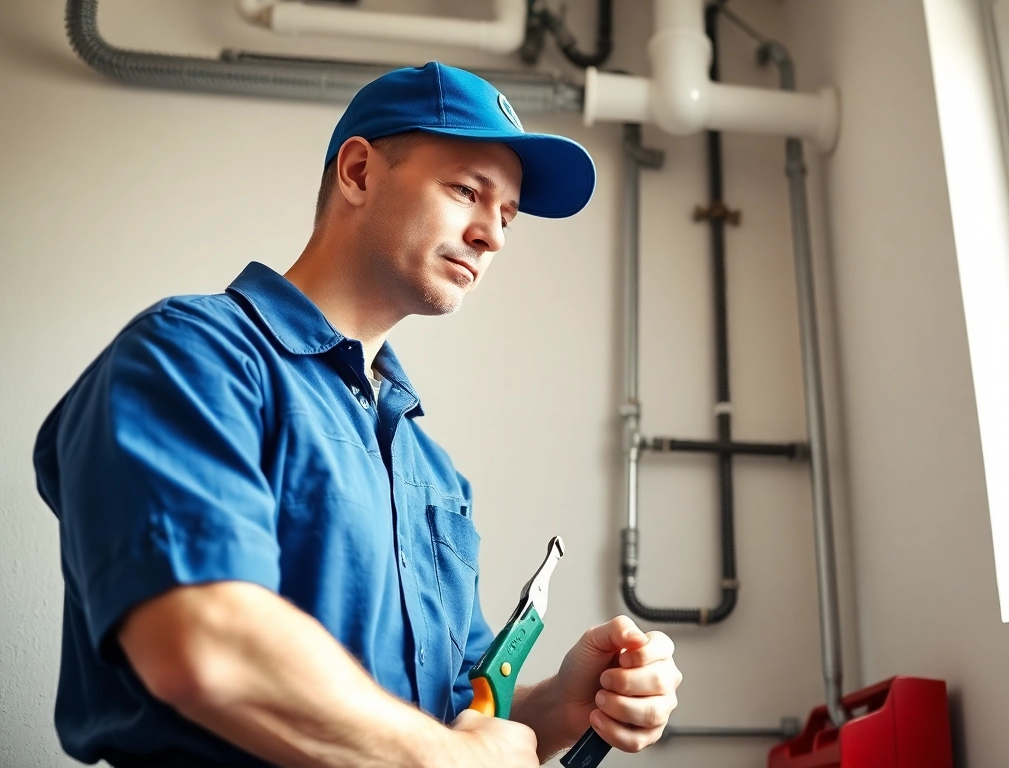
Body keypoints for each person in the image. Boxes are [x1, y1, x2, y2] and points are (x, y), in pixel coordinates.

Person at [33, 62, 681, 768]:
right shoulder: (194, 358)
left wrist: (565, 703)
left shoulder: (431, 470)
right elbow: (205, 645)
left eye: (507, 216)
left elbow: (450, 710)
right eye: (468, 190)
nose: (491, 235)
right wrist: (445, 761)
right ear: (358, 172)